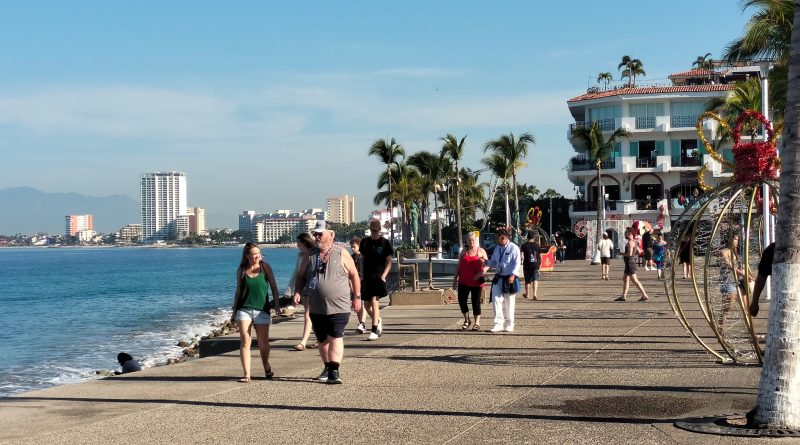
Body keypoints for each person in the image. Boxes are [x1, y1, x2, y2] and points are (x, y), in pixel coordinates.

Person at [292, 222, 362, 384]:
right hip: (316, 306)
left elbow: (354, 275)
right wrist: (297, 292)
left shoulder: (341, 253)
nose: (316, 237)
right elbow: (301, 276)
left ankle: (334, 371)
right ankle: (327, 367)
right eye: (315, 234)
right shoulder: (310, 255)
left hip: (339, 305)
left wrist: (357, 297)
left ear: (331, 235)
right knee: (322, 340)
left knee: (335, 336)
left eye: (320, 234)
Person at [230, 242, 281, 383]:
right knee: (245, 341)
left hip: (262, 310)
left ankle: (266, 365)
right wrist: (234, 312)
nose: (257, 255)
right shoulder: (241, 270)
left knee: (263, 344)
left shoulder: (265, 267)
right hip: (243, 309)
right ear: (247, 255)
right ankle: (247, 374)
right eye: (254, 253)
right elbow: (238, 292)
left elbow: (274, 288)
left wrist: (276, 305)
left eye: (258, 252)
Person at [359, 219, 393, 340]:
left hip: (378, 277)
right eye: (372, 230)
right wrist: (361, 275)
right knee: (367, 306)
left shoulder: (384, 243)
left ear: (379, 229)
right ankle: (378, 320)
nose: (374, 232)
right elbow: (362, 259)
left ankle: (374, 330)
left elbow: (389, 261)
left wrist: (384, 275)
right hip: (367, 277)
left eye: (376, 230)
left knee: (374, 301)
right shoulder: (364, 242)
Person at [285, 233, 316, 351]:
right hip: (303, 288)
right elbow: (297, 272)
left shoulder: (315, 253)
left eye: (298, 242)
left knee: (309, 314)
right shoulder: (300, 255)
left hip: (315, 287)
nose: (297, 244)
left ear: (303, 243)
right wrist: (290, 288)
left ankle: (304, 342)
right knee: (309, 314)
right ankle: (314, 339)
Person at [486, 228, 521, 332]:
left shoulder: (513, 248)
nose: (500, 240)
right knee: (496, 299)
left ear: (507, 238)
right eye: (498, 238)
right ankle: (498, 323)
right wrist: (486, 262)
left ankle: (510, 323)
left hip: (509, 277)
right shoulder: (497, 248)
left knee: (509, 301)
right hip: (498, 277)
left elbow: (517, 262)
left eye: (502, 238)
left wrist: (513, 275)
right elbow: (493, 262)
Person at [452, 232, 488, 331]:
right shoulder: (464, 251)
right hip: (463, 281)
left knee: (475, 302)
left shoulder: (481, 251)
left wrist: (481, 273)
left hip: (476, 282)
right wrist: (455, 279)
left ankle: (477, 323)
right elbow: (459, 266)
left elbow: (488, 264)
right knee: (461, 301)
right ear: (467, 241)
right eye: (469, 240)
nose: (471, 242)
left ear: (476, 240)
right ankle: (467, 320)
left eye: (472, 240)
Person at [718, 231, 750, 329]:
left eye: (737, 239)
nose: (737, 241)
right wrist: (744, 274)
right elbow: (729, 266)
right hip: (728, 283)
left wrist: (744, 270)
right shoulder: (724, 251)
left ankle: (750, 331)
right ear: (729, 239)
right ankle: (720, 330)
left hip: (738, 282)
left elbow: (737, 268)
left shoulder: (735, 253)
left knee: (746, 308)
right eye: (735, 239)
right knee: (727, 309)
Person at [615, 227, 649, 302]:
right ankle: (623, 296)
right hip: (630, 263)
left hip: (630, 263)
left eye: (626, 233)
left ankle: (644, 295)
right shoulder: (635, 241)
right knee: (625, 278)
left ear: (630, 234)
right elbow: (639, 251)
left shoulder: (630, 243)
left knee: (635, 280)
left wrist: (621, 253)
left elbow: (629, 254)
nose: (625, 234)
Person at [748, 242, 775, 317]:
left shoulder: (771, 249)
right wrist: (754, 302)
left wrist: (754, 302)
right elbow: (761, 278)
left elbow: (761, 278)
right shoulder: (772, 250)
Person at [350, 236, 367, 332]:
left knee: (363, 303)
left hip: (363, 282)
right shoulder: (351, 258)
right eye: (351, 247)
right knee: (357, 305)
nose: (352, 249)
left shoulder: (364, 257)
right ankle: (361, 322)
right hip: (354, 283)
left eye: (354, 247)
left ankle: (362, 323)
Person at [520, 232, 542, 299]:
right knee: (535, 279)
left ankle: (527, 294)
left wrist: (521, 263)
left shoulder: (523, 245)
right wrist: (539, 265)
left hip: (527, 265)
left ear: (527, 237)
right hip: (535, 265)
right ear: (533, 238)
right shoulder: (537, 245)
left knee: (527, 280)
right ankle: (534, 294)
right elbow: (540, 256)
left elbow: (522, 256)